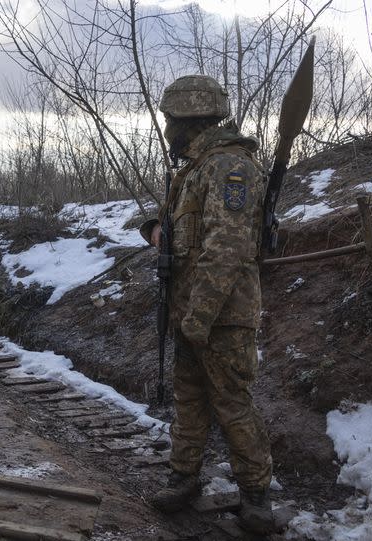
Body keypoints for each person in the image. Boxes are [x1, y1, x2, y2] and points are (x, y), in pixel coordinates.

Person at [139, 75, 274, 534]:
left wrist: (198, 318)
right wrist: (156, 226)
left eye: (170, 121)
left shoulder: (230, 167)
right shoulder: (194, 170)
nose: (167, 130)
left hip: (223, 318)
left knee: (232, 403)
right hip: (191, 314)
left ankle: (255, 495)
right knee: (189, 398)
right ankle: (184, 477)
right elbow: (188, 230)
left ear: (188, 118)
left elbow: (227, 248)